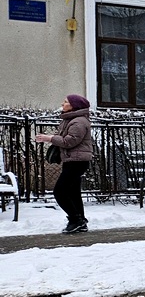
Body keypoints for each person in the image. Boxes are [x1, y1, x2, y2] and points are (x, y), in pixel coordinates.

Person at [35, 94, 94, 233]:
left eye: (66, 102)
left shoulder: (78, 122)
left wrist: (49, 138)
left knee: (60, 191)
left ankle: (75, 219)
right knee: (73, 192)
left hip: (77, 161)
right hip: (73, 160)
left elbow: (69, 141)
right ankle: (80, 221)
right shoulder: (71, 120)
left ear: (74, 105)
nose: (63, 103)